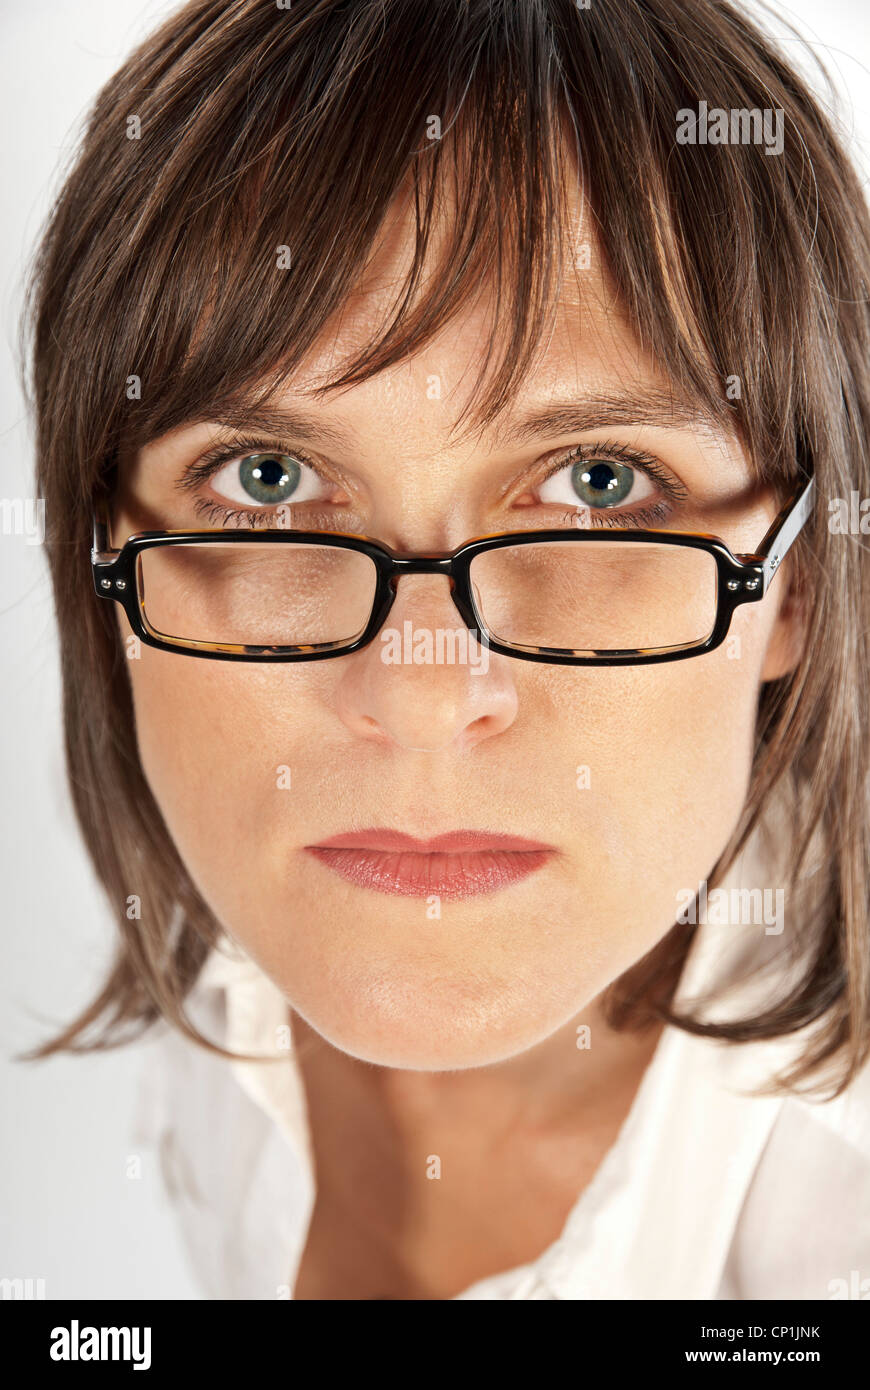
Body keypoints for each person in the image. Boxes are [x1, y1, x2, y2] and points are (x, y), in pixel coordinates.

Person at [19, 0, 870, 1299]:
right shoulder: (230, 951)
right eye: (268, 476)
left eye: (596, 481)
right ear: (100, 552)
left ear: (796, 584)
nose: (418, 696)